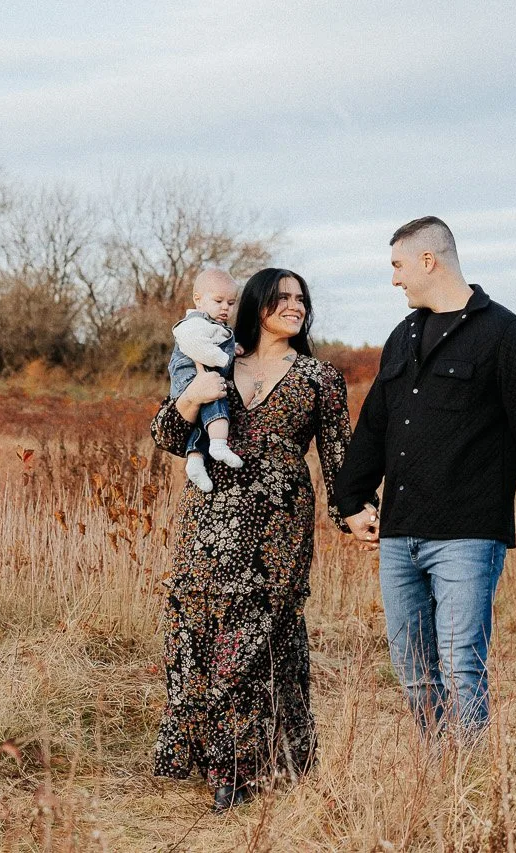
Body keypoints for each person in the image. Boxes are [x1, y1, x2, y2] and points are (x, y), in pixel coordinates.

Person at [333, 216, 516, 743]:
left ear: (427, 260)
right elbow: (375, 424)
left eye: (397, 266)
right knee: (413, 669)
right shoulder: (403, 336)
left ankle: (468, 782)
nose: (394, 280)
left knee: (462, 665)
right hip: (399, 534)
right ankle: (438, 775)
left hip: (467, 532)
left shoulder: (507, 335)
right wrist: (350, 499)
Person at [150, 267, 354, 812]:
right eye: (282, 297)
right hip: (209, 521)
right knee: (201, 628)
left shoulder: (319, 378)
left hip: (280, 526)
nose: (295, 305)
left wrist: (356, 515)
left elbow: (339, 461)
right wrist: (193, 397)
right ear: (257, 304)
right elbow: (167, 435)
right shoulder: (211, 358)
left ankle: (242, 768)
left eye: (301, 298)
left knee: (261, 634)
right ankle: (215, 757)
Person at [168, 266, 245, 493]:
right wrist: (223, 358)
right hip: (189, 376)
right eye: (219, 301)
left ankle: (195, 461)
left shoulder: (214, 325)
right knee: (216, 395)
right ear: (198, 300)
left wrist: (234, 347)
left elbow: (221, 339)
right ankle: (219, 445)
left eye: (231, 303)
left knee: (200, 422)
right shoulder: (195, 323)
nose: (225, 308)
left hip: (193, 378)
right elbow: (195, 345)